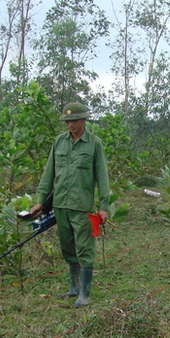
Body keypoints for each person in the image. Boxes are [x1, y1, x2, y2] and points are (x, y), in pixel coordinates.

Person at [29, 102, 110, 308]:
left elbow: (102, 176)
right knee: (67, 247)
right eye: (67, 121)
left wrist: (104, 205)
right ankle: (73, 287)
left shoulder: (94, 144)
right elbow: (49, 173)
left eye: (73, 120)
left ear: (83, 120)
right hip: (60, 205)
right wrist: (40, 200)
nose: (70, 125)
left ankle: (84, 293)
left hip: (81, 206)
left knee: (84, 248)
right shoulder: (59, 143)